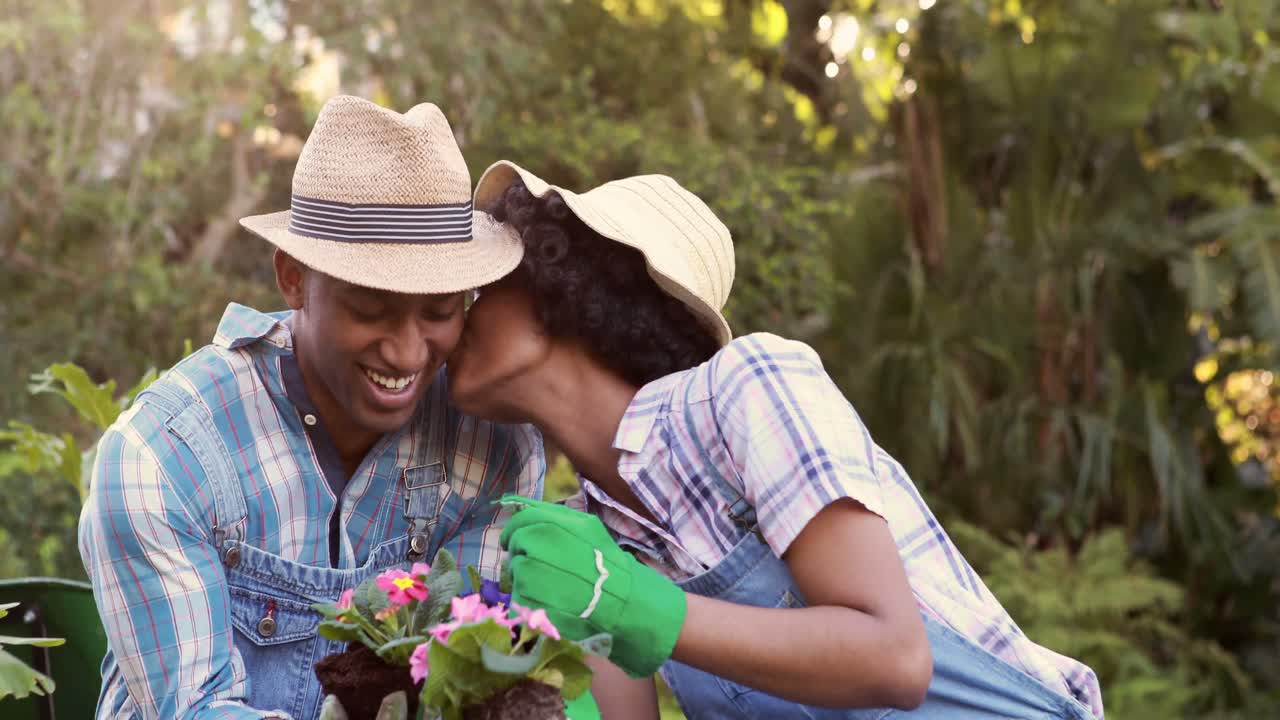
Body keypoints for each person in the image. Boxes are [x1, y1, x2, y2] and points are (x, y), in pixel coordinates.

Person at [445, 161, 1106, 719]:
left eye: (492, 279)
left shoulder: (750, 386)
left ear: (564, 290)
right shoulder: (585, 544)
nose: (460, 307)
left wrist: (637, 605)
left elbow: (897, 659)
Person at [77, 96, 546, 719]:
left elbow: (462, 680)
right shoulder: (163, 458)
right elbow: (197, 709)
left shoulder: (491, 450)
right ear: (293, 277)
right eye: (371, 308)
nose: (408, 351)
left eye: (438, 311)